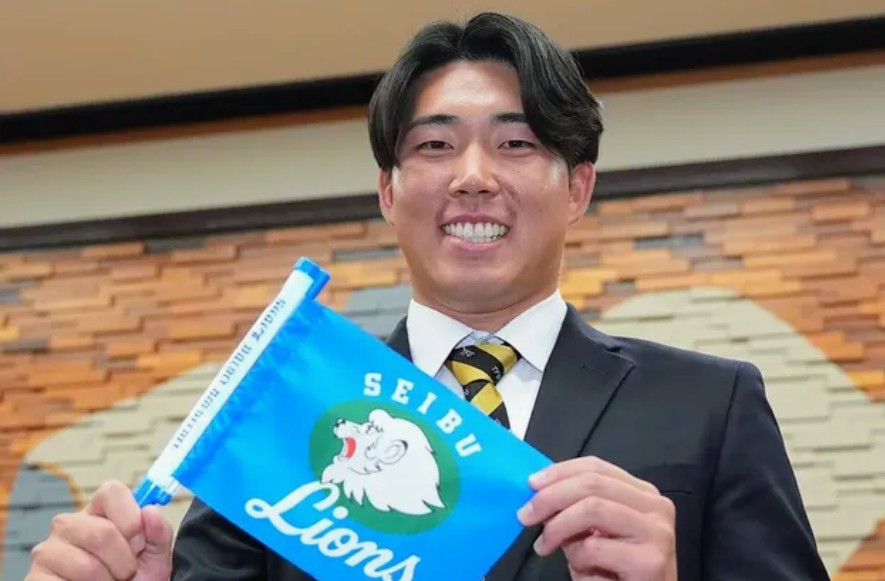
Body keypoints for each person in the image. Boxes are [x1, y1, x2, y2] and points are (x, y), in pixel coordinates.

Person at [26, 11, 829, 581]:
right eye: (436, 145)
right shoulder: (288, 408)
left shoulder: (710, 402)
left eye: (516, 143)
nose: (473, 176)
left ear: (578, 187)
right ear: (388, 191)